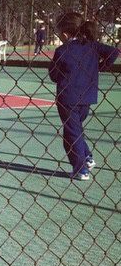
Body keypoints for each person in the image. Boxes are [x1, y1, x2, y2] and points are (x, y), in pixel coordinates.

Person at [48, 12, 119, 181]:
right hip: (87, 97)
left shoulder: (62, 50)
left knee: (71, 134)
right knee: (74, 130)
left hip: (67, 99)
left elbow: (53, 75)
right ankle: (86, 157)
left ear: (65, 34)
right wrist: (99, 67)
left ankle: (81, 169)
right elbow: (114, 52)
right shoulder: (92, 46)